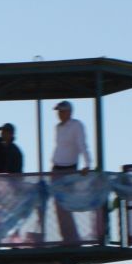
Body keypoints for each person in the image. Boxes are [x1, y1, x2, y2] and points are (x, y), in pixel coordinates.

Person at [49, 100, 91, 244]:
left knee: (66, 204)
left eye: (62, 111)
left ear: (69, 112)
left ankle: (72, 237)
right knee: (58, 206)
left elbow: (82, 145)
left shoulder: (76, 125)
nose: (59, 114)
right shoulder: (58, 127)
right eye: (58, 112)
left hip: (69, 169)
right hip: (56, 168)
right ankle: (66, 237)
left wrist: (87, 163)